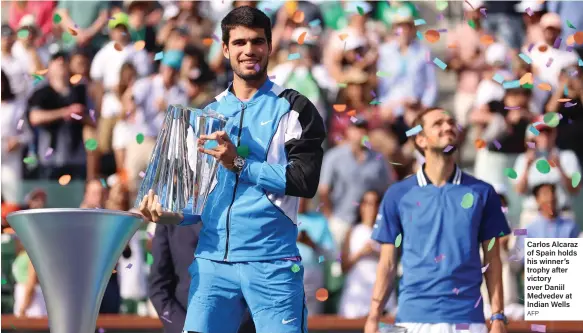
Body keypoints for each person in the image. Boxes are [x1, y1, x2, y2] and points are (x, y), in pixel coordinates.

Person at [139, 6, 326, 333]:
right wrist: (164, 215)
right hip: (212, 266)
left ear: (269, 46)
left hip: (273, 264)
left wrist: (239, 164)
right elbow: (193, 208)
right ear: (225, 49)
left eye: (257, 42)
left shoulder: (296, 108)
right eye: (239, 43)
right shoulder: (205, 113)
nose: (248, 50)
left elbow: (304, 181)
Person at [365, 108, 511, 333]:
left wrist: (498, 316)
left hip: (468, 320)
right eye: (438, 123)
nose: (448, 127)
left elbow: (493, 260)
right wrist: (374, 315)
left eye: (451, 122)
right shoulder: (397, 195)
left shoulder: (484, 193)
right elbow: (388, 263)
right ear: (420, 139)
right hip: (412, 320)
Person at [319, 117, 392, 248]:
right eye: (356, 129)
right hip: (340, 219)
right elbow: (324, 190)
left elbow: (388, 190)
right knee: (336, 264)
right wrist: (330, 218)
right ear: (348, 131)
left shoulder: (378, 160)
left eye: (363, 130)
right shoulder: (334, 157)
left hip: (367, 223)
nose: (360, 133)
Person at [27, 51, 90, 180]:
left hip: (76, 158)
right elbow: (35, 117)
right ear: (49, 67)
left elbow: (93, 120)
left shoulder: (79, 91)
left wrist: (80, 115)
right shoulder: (42, 92)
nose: (61, 64)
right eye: (56, 61)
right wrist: (65, 112)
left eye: (64, 62)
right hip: (49, 158)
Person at [512, 115, 581, 227]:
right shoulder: (523, 159)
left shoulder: (567, 156)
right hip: (533, 215)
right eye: (540, 133)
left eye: (548, 132)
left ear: (554, 133)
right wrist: (527, 166)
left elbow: (575, 190)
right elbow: (519, 190)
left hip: (562, 216)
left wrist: (559, 167)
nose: (544, 137)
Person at [339, 191, 397, 319]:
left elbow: (393, 264)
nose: (371, 208)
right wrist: (361, 253)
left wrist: (377, 253)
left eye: (375, 204)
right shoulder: (352, 231)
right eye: (368, 203)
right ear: (361, 207)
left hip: (381, 288)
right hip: (358, 291)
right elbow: (343, 266)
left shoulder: (387, 232)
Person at [1, 70, 32, 203]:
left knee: (12, 200)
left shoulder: (16, 108)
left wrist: (17, 141)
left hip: (10, 160)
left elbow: (27, 135)